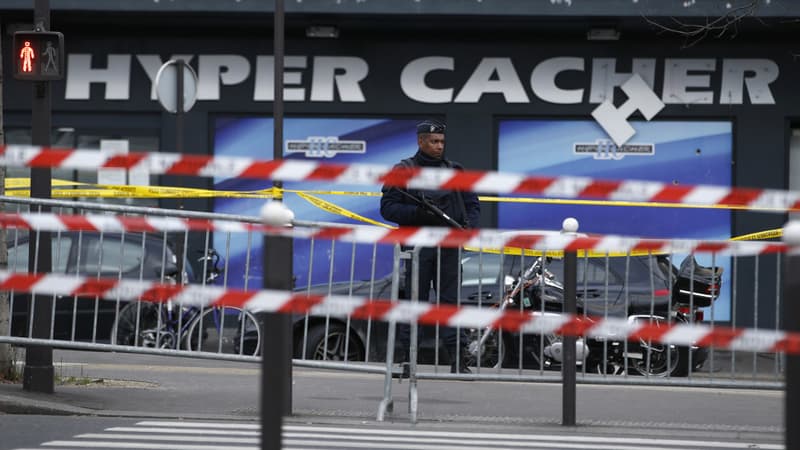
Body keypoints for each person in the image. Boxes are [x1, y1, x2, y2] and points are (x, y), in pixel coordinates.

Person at [380, 119, 481, 375]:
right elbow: (388, 208)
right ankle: (407, 361)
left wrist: (468, 228)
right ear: (421, 141)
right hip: (418, 247)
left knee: (450, 304)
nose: (439, 146)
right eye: (434, 142)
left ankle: (458, 361)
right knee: (415, 302)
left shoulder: (454, 170)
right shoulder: (403, 170)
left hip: (449, 244)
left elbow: (472, 204)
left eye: (442, 142)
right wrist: (419, 213)